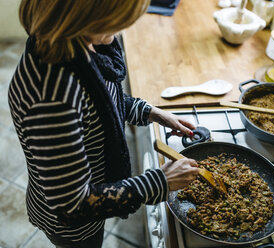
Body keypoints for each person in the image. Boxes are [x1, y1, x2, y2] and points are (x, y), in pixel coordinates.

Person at [8, 0, 200, 247]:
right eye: (116, 21)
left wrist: (150, 112)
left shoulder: (75, 44)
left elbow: (103, 103)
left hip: (86, 189)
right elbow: (74, 205)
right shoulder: (53, 98)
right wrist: (159, 182)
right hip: (74, 227)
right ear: (87, 17)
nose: (120, 30)